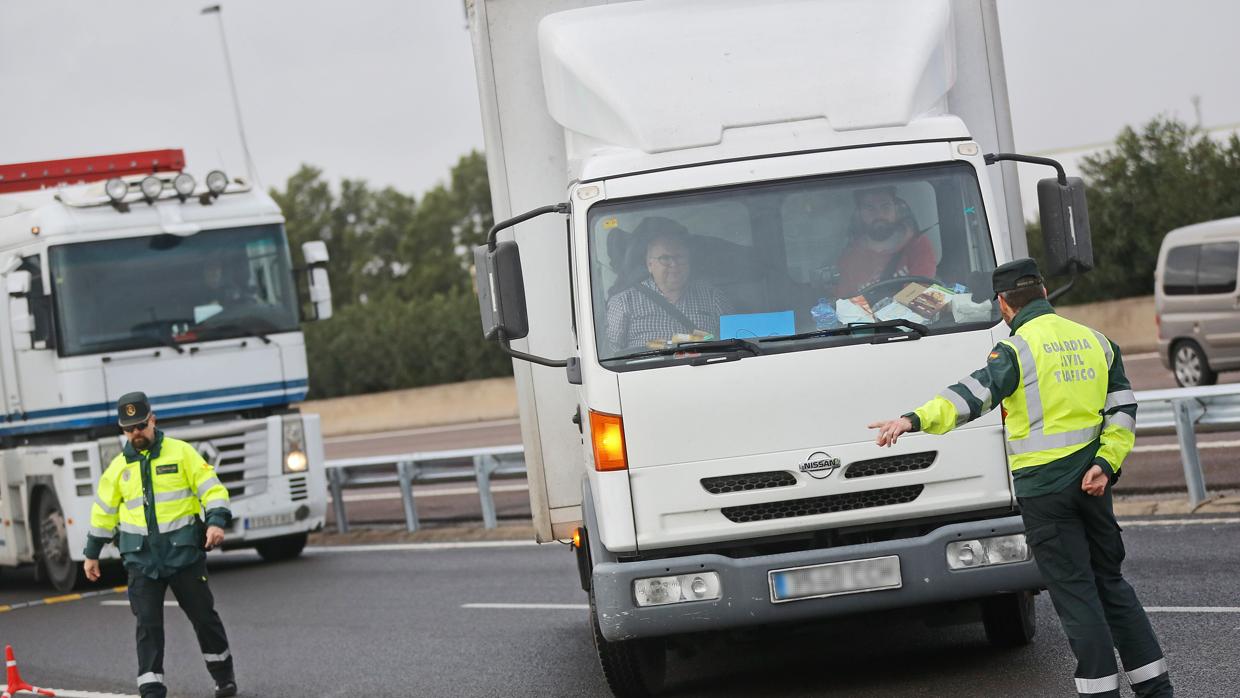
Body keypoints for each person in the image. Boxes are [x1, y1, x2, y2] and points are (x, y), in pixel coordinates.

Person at [867, 259, 1171, 698]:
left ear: (1003, 305)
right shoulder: (1097, 341)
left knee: (1076, 597)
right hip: (1093, 482)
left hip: (1046, 493)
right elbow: (1123, 409)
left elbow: (972, 395)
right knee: (1111, 585)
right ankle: (1156, 689)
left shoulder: (1016, 349)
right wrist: (1105, 464)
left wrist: (913, 420)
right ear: (1045, 293)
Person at [84, 392, 238, 698]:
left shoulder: (182, 453)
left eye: (141, 425)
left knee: (204, 619)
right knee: (148, 626)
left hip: (183, 556)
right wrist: (92, 554)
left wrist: (216, 521)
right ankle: (151, 689)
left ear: (152, 420)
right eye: (129, 429)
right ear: (122, 429)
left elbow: (212, 489)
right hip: (142, 561)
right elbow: (103, 513)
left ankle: (224, 678)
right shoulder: (117, 468)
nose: (136, 433)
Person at [605, 218, 733, 352]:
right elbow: (612, 354)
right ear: (649, 264)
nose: (674, 265)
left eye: (679, 257)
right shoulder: (623, 303)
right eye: (665, 258)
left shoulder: (712, 296)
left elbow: (732, 341)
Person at [833, 186, 937, 297]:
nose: (879, 214)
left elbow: (918, 296)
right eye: (870, 208)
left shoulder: (918, 246)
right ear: (859, 214)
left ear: (896, 210)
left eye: (885, 207)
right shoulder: (849, 260)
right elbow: (844, 305)